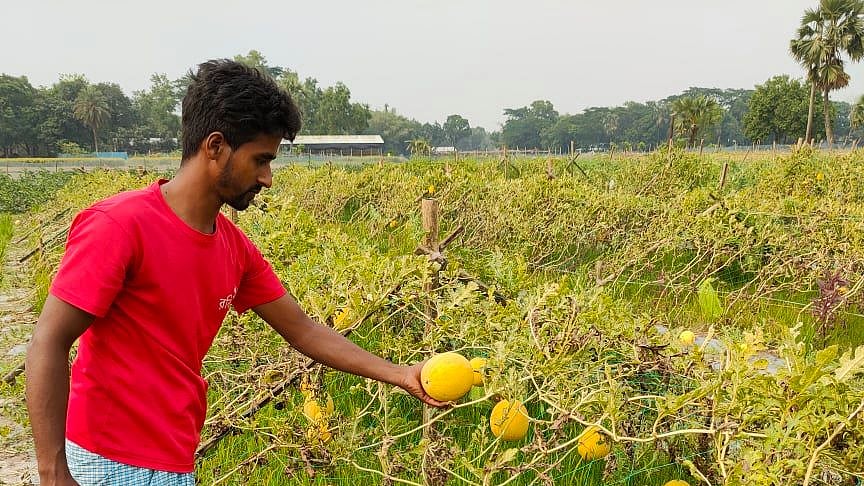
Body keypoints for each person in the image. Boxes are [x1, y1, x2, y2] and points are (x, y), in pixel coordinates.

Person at [25, 59, 446, 486]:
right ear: (215, 146)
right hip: (107, 462)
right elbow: (49, 340)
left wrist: (400, 374)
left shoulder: (234, 248)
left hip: (174, 460)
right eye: (260, 160)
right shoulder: (119, 226)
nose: (267, 178)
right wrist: (54, 472)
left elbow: (303, 331)